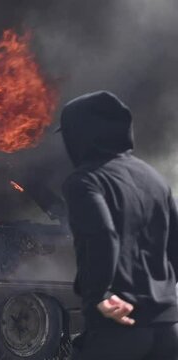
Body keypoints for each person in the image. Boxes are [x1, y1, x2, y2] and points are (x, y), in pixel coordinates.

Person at [59, 91, 178, 360]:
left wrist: (100, 294)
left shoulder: (85, 181)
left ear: (80, 135)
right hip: (169, 331)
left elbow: (104, 235)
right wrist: (161, 295)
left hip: (119, 328)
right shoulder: (154, 178)